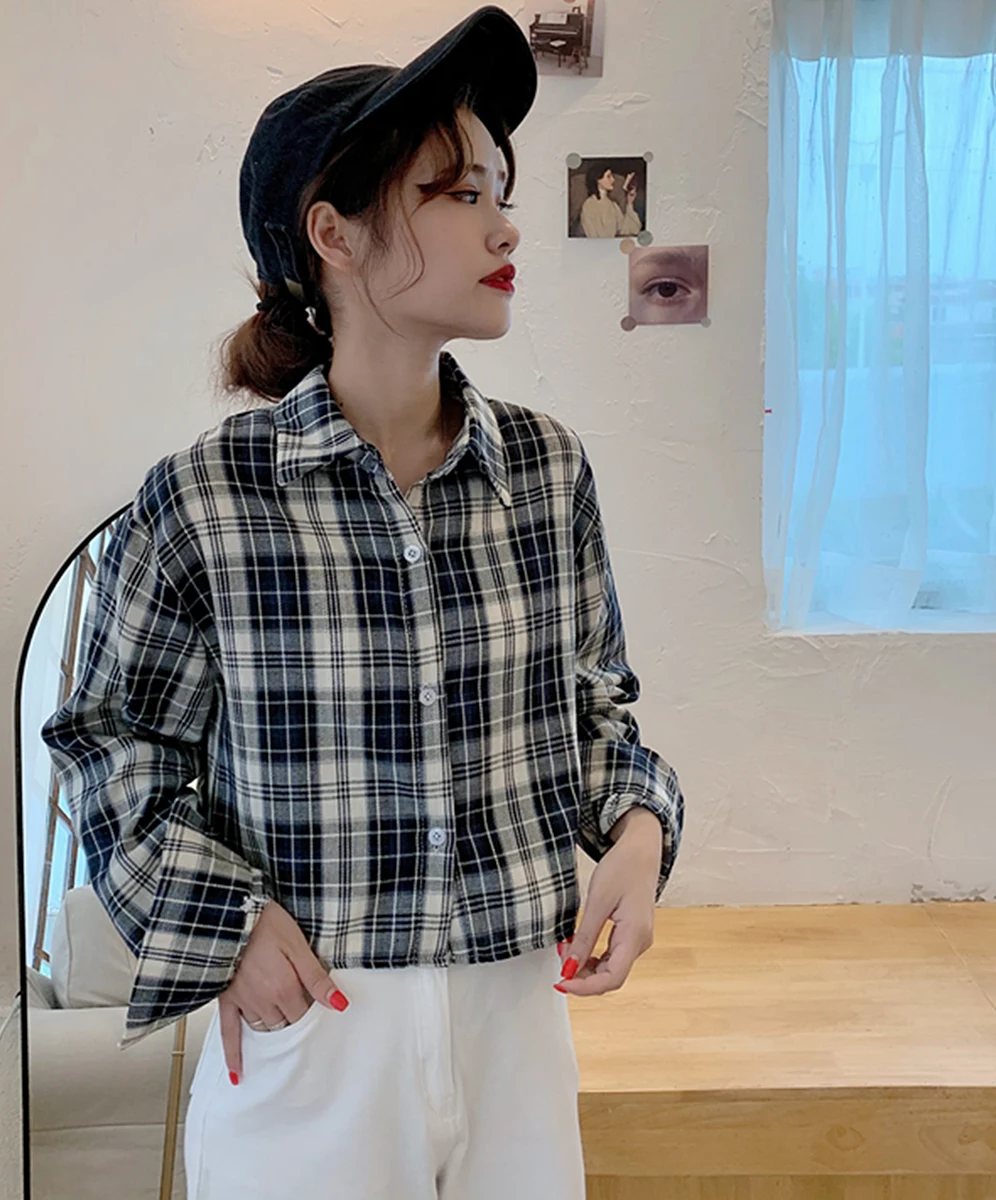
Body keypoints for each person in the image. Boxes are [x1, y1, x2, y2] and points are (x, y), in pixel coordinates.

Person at [40, 7, 684, 1198]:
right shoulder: (207, 498)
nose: (504, 225)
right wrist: (224, 926)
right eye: (459, 193)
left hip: (517, 1017)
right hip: (312, 1026)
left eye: (499, 191)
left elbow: (597, 710)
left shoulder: (547, 471)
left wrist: (640, 834)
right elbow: (110, 746)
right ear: (331, 233)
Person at [580, 160, 643, 237]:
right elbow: (592, 235)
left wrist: (629, 202)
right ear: (598, 180)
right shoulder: (589, 205)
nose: (613, 180)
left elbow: (626, 230)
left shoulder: (613, 205)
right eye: (608, 176)